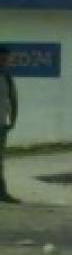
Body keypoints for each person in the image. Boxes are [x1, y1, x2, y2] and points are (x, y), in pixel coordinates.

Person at [0, 47, 19, 203]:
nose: (5, 61)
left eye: (7, 58)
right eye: (3, 58)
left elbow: (12, 98)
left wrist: (12, 119)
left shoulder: (7, 77)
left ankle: (1, 192)